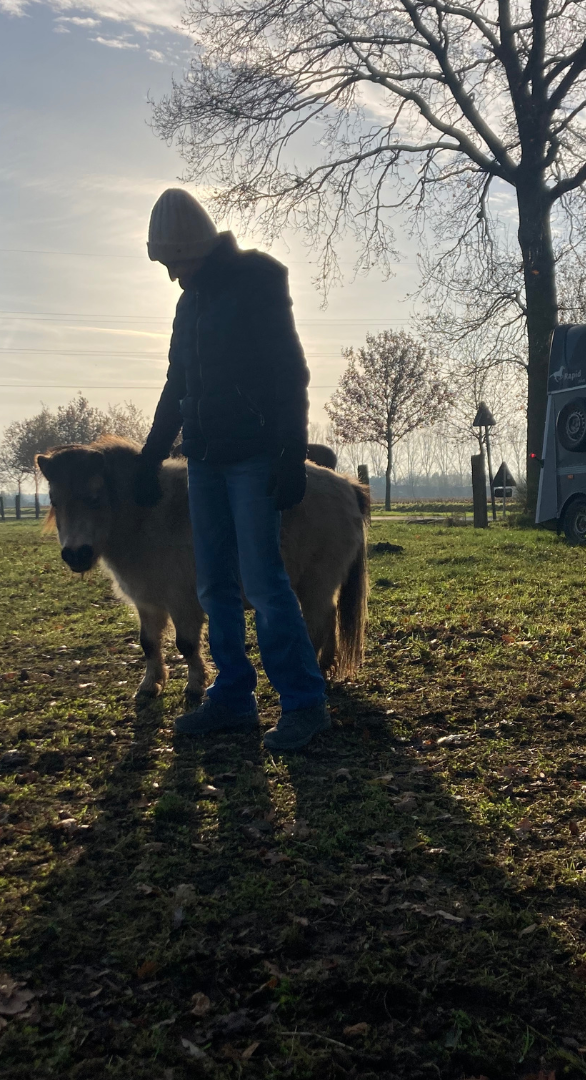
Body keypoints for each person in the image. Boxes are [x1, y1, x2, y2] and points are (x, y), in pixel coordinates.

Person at [133, 188, 330, 751]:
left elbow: (290, 370)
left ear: (192, 248)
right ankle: (234, 698)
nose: (171, 275)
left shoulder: (258, 280)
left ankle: (304, 703)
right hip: (204, 459)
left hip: (253, 456)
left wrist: (291, 452)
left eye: (172, 262)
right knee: (212, 583)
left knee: (263, 582)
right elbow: (177, 384)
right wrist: (152, 454)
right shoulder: (188, 304)